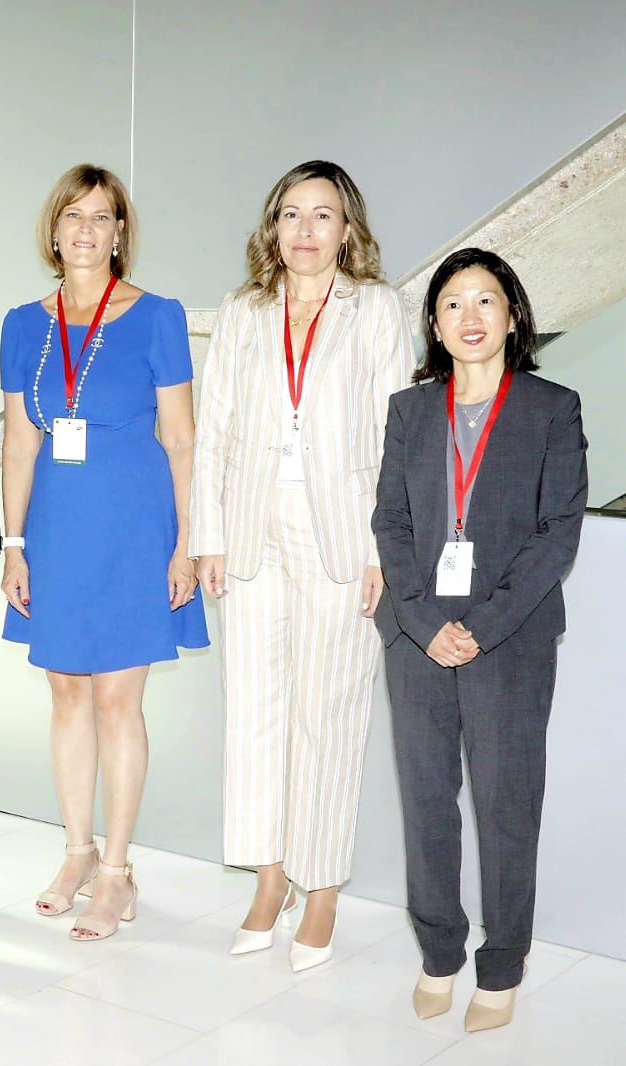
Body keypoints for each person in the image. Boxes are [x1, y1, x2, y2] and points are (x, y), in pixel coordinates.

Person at [190, 160, 414, 970]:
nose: (305, 232)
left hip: (341, 535)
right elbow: (212, 430)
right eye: (291, 215)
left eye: (322, 216)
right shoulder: (245, 312)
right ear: (272, 228)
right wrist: (205, 537)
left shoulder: (377, 309)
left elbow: (400, 438)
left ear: (346, 230)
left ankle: (319, 889)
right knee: (253, 708)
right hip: (252, 531)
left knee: (330, 708)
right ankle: (269, 875)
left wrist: (387, 549)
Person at [373, 247, 586, 1032]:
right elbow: (390, 524)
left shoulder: (549, 407)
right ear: (433, 321)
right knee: (427, 800)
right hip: (414, 636)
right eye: (452, 303)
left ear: (512, 316)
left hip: (511, 636)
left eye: (485, 301)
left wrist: (481, 625)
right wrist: (427, 623)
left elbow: (556, 532)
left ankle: (501, 966)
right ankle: (438, 951)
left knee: (505, 805)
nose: (469, 317)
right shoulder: (408, 410)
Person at [0, 163, 209, 942]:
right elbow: (18, 444)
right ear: (52, 230)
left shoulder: (156, 316)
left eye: (102, 217)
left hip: (134, 526)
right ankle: (77, 852)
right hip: (54, 529)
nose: (86, 230)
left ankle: (117, 872)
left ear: (120, 231)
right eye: (73, 216)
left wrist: (186, 543)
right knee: (65, 696)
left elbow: (182, 439)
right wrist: (13, 544)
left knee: (119, 700)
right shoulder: (24, 322)